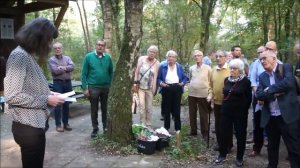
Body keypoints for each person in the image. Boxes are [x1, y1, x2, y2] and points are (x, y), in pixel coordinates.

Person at [4, 17, 65, 168]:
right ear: (39, 38)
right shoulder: (19, 56)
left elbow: (30, 87)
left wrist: (50, 94)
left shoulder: (27, 55)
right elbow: (12, 96)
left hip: (34, 125)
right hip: (28, 128)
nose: (50, 44)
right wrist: (46, 100)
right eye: (49, 40)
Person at [256, 50, 300, 168]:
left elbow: (288, 83)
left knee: (294, 149)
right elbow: (259, 95)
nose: (262, 61)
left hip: (288, 116)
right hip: (271, 117)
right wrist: (274, 93)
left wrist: (269, 90)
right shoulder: (262, 76)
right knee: (272, 148)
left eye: (264, 58)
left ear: (274, 58)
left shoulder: (285, 67)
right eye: (260, 59)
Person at [214, 59, 252, 167]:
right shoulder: (227, 80)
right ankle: (222, 154)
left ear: (240, 70)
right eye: (231, 68)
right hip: (226, 111)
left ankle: (239, 157)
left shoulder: (245, 81)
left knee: (240, 134)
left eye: (234, 68)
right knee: (223, 132)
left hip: (240, 113)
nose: (231, 70)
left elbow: (249, 99)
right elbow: (225, 94)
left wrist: (243, 110)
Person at [81, 39, 113, 138]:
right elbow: (84, 73)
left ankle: (105, 127)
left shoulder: (108, 58)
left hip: (105, 87)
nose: (100, 46)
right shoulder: (89, 57)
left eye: (102, 45)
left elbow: (111, 72)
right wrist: (85, 88)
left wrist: (110, 85)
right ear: (96, 46)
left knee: (105, 108)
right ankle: (95, 129)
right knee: (94, 109)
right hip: (93, 87)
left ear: (104, 47)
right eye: (98, 45)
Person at [157, 50, 188, 132]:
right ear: (167, 58)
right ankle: (166, 128)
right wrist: (161, 83)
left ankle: (178, 129)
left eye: (173, 57)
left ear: (175, 58)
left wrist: (182, 83)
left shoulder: (179, 66)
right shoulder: (162, 66)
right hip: (166, 87)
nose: (171, 58)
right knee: (167, 109)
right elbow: (158, 78)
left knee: (177, 109)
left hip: (177, 87)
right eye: (169, 56)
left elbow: (185, 77)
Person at [48, 42, 75, 132]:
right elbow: (55, 71)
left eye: (59, 48)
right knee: (58, 104)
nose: (57, 49)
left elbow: (72, 67)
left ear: (62, 48)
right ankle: (58, 124)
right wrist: (66, 68)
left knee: (67, 103)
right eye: (55, 48)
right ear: (53, 50)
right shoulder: (51, 60)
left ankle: (66, 123)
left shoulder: (67, 58)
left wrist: (61, 67)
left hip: (67, 83)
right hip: (57, 83)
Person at [133, 45, 160, 128]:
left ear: (156, 54)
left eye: (154, 52)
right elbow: (136, 72)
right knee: (141, 107)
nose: (152, 53)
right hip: (140, 87)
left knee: (149, 108)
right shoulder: (141, 59)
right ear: (148, 52)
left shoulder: (157, 63)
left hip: (150, 88)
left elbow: (156, 77)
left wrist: (154, 89)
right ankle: (142, 125)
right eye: (150, 51)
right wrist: (134, 83)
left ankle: (149, 125)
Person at [210, 50, 233, 151]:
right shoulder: (213, 70)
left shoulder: (230, 69)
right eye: (217, 56)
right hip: (216, 101)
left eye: (220, 56)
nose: (218, 58)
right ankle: (220, 144)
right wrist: (210, 94)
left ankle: (228, 145)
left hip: (228, 102)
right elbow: (210, 85)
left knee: (227, 124)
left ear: (225, 57)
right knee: (218, 124)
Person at [188, 50, 212, 140]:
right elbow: (190, 79)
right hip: (192, 93)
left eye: (199, 55)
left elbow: (210, 81)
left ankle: (205, 132)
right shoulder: (191, 68)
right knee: (192, 113)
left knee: (203, 114)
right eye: (195, 56)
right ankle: (193, 131)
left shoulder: (208, 68)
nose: (197, 57)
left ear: (202, 57)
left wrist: (210, 93)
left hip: (203, 94)